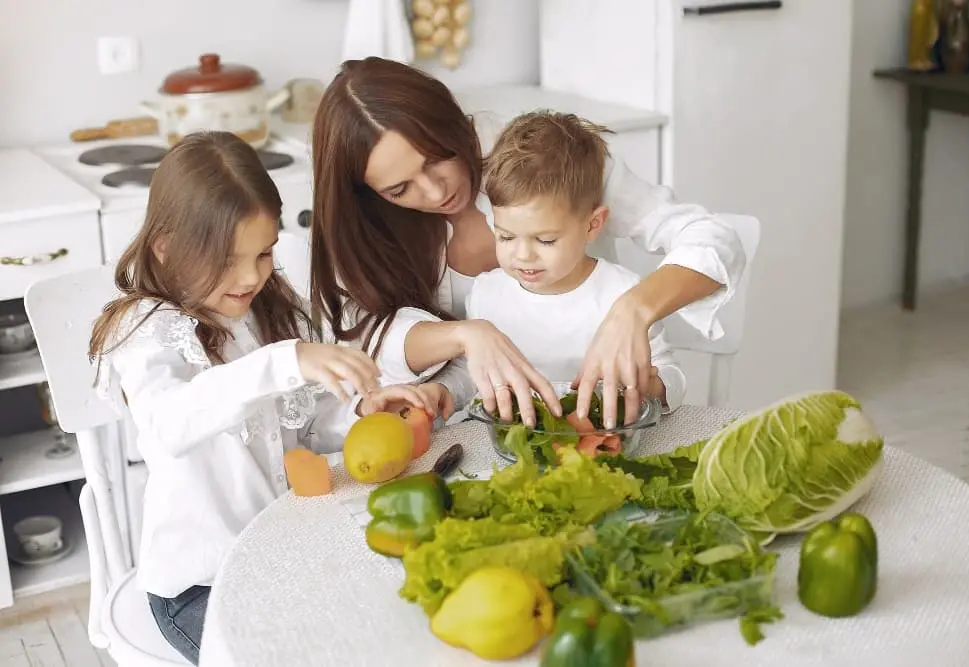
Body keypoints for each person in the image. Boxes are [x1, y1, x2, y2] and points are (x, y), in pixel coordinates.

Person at [88, 132, 449, 664]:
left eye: (263, 253)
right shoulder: (146, 330)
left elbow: (300, 428)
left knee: (381, 630)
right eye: (230, 259)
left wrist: (358, 412)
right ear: (166, 247)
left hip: (276, 557)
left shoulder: (261, 315)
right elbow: (169, 424)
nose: (252, 276)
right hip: (199, 586)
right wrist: (285, 361)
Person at [308, 57, 745, 430]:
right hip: (476, 433)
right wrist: (466, 337)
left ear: (452, 122)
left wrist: (634, 309)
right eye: (401, 190)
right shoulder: (373, 224)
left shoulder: (546, 161)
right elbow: (368, 337)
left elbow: (711, 238)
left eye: (437, 157)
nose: (435, 191)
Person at [465, 110, 686, 412]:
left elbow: (671, 375)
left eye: (545, 240)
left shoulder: (622, 292)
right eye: (505, 237)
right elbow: (470, 378)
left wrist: (651, 385)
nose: (522, 255)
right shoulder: (485, 293)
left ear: (593, 225)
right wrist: (441, 390)